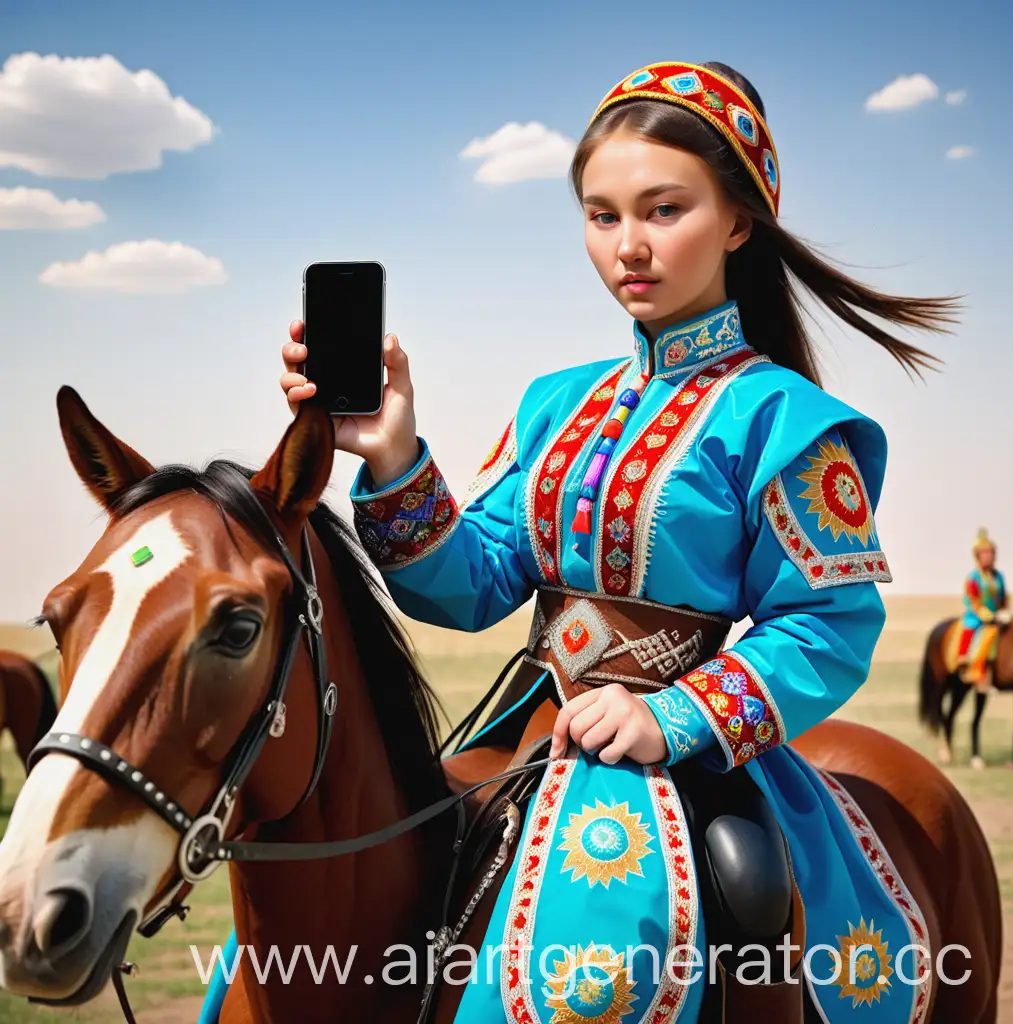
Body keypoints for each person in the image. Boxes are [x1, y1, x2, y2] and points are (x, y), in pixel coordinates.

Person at [201, 60, 956, 1024]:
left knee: (748, 895)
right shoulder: (557, 405)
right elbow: (469, 589)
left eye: (663, 209)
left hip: (692, 750)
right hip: (530, 727)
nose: (629, 247)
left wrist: (673, 718)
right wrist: (392, 454)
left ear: (738, 221)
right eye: (602, 216)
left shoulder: (790, 421)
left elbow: (831, 623)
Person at [952, 528, 1010, 692]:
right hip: (977, 616)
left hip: (997, 616)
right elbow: (973, 600)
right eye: (984, 553)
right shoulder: (974, 577)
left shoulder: (998, 577)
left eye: (990, 553)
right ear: (977, 556)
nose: (988, 556)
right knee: (970, 628)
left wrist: (1004, 611)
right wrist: (986, 615)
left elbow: (1004, 597)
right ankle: (963, 659)